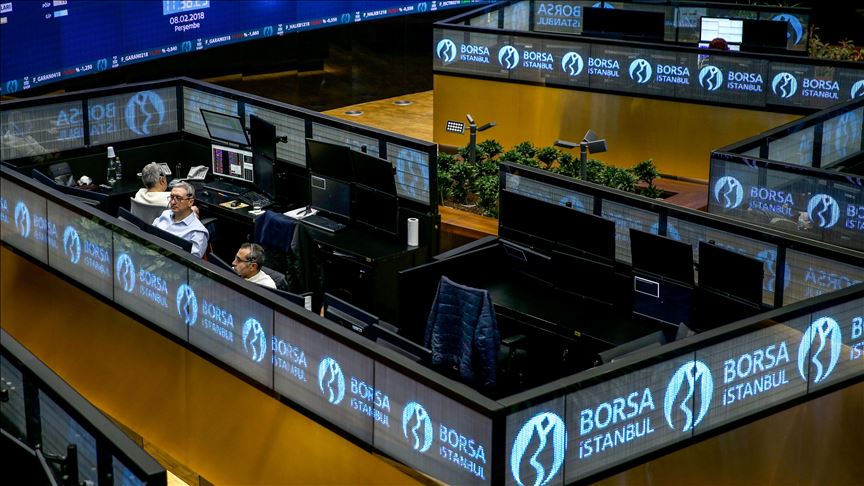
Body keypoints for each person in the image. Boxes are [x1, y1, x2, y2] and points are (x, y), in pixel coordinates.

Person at [153, 182, 209, 258]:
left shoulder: (197, 232)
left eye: (178, 198)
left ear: (190, 202)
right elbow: (149, 234)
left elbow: (192, 262)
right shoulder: (165, 214)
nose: (173, 202)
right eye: (172, 197)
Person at [134, 162, 200, 217]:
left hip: (143, 228)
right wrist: (193, 210)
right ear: (162, 180)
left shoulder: (139, 194)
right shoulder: (170, 198)